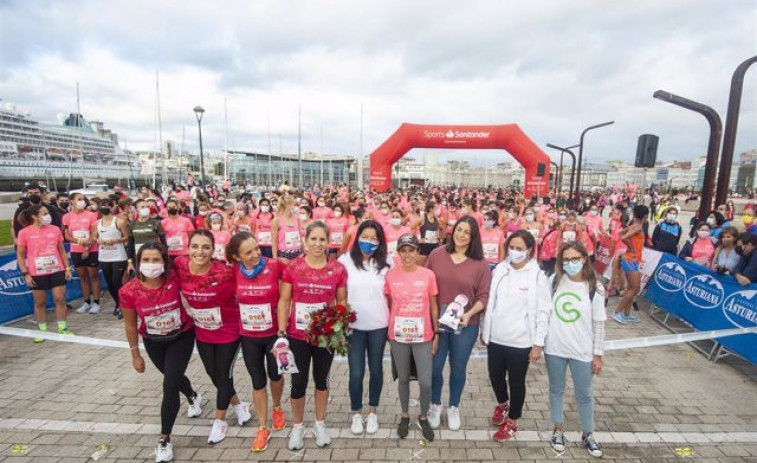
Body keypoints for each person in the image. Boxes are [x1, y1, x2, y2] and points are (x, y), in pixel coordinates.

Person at [119, 242, 203, 463]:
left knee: (169, 385)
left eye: (156, 260)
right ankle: (193, 395)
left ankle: (164, 438)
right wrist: (135, 354)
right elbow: (130, 324)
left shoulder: (173, 279)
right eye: (146, 260)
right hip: (153, 341)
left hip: (181, 336)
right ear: (137, 263)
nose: (151, 264)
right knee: (171, 377)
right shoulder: (128, 290)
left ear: (164, 263)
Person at [174, 230, 251, 444]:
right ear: (188, 247)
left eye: (206, 247)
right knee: (213, 373)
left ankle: (220, 421)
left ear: (213, 249)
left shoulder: (225, 272)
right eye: (195, 246)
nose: (200, 251)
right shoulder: (179, 265)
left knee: (224, 373)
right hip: (203, 329)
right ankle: (238, 405)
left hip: (229, 329)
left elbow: (248, 282)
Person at [277, 221, 347, 450]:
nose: (318, 244)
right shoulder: (293, 268)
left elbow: (341, 301)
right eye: (313, 239)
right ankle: (297, 427)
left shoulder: (337, 269)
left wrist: (338, 326)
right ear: (305, 241)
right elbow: (284, 300)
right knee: (298, 382)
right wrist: (281, 332)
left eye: (322, 239)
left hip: (324, 337)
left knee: (322, 380)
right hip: (297, 336)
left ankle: (319, 423)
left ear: (328, 242)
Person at [480, 230, 551, 441]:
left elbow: (543, 311)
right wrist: (486, 330)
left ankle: (513, 420)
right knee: (494, 376)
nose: (514, 252)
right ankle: (502, 405)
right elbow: (490, 303)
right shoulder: (499, 270)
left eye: (520, 248)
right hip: (496, 338)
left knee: (517, 382)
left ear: (529, 251)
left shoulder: (537, 276)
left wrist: (538, 343)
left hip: (521, 341)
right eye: (512, 247)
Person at [426, 216, 491, 430]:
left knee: (458, 367)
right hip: (437, 322)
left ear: (473, 237)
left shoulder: (480, 263)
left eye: (467, 232)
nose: (461, 235)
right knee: (435, 367)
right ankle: (435, 404)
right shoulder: (437, 254)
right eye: (459, 230)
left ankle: (453, 406)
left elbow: (484, 296)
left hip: (465, 324)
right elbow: (426, 286)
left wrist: (469, 313)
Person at [541, 242, 605, 458]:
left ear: (584, 258)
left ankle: (588, 433)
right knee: (556, 389)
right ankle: (558, 430)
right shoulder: (554, 282)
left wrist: (598, 354)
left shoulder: (595, 287)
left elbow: (599, 323)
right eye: (566, 259)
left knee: (584, 394)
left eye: (575, 259)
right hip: (555, 348)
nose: (570, 263)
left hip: (582, 350)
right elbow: (544, 313)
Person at [226, 232, 286, 452]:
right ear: (236, 257)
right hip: (249, 336)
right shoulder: (232, 272)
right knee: (257, 381)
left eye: (256, 249)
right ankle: (262, 427)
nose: (255, 255)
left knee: (275, 374)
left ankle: (277, 407)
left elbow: (295, 274)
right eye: (248, 252)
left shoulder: (274, 265)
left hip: (273, 334)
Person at [338, 220, 391, 435]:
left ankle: (373, 412)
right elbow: (338, 294)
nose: (368, 242)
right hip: (354, 327)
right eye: (364, 237)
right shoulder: (345, 261)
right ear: (357, 236)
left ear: (380, 241)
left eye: (373, 238)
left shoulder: (388, 263)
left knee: (376, 370)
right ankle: (356, 413)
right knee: (356, 372)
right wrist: (339, 324)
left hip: (379, 325)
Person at [384, 234, 438, 442]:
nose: (407, 255)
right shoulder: (390, 275)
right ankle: (405, 414)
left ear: (417, 252)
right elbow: (389, 304)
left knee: (425, 382)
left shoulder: (428, 275)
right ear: (398, 253)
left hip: (423, 335)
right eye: (403, 250)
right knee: (403, 378)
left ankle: (423, 416)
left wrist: (437, 332)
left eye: (411, 250)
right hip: (398, 335)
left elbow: (433, 306)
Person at [16, 205, 73, 342]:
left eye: (48, 213)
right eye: (45, 213)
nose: (49, 216)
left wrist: (67, 268)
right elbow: (20, 255)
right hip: (36, 273)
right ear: (35, 216)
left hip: (57, 270)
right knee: (40, 302)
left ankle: (63, 328)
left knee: (60, 299)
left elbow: (61, 250)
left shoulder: (55, 229)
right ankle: (42, 330)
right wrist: (26, 274)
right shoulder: (24, 232)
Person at [63, 193, 102, 314]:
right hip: (75, 250)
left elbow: (94, 233)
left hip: (92, 250)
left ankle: (96, 302)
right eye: (79, 199)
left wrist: (87, 249)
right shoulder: (66, 217)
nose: (82, 201)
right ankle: (86, 302)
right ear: (72, 201)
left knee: (93, 276)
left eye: (83, 199)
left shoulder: (91, 215)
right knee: (83, 277)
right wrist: (80, 242)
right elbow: (67, 235)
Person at [94, 198, 129, 319]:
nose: (104, 207)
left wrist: (115, 240)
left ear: (112, 207)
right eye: (102, 205)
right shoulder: (97, 223)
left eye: (107, 205)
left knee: (116, 281)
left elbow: (126, 237)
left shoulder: (119, 221)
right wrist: (98, 240)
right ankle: (119, 304)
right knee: (109, 284)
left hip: (118, 256)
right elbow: (94, 237)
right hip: (104, 257)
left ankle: (123, 306)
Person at [614, 205, 648, 324]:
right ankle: (617, 312)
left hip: (631, 259)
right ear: (645, 216)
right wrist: (630, 246)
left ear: (634, 215)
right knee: (634, 288)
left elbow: (619, 234)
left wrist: (629, 245)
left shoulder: (634, 226)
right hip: (630, 260)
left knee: (631, 288)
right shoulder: (637, 227)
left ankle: (626, 314)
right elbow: (622, 236)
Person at [271, 196, 303, 262]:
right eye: (293, 205)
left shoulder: (297, 218)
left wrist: (303, 250)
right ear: (287, 205)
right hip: (284, 254)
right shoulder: (276, 220)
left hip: (298, 252)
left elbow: (300, 235)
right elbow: (274, 241)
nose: (295, 207)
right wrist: (275, 258)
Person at [418, 201, 443, 265]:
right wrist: (417, 240)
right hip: (424, 247)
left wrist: (440, 239)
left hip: (434, 247)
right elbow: (410, 228)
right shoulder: (423, 218)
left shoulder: (437, 219)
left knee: (433, 266)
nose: (438, 210)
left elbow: (442, 229)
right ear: (431, 209)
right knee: (422, 267)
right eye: (436, 208)